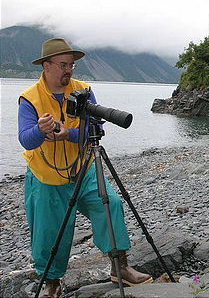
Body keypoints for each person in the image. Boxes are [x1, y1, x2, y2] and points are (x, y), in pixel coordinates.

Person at [18, 38, 152, 297]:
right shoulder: (30, 98)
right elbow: (25, 138)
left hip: (83, 167)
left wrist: (67, 133)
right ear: (46, 66)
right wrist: (40, 130)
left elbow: (96, 129)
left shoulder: (83, 90)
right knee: (48, 231)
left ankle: (119, 266)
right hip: (46, 176)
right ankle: (52, 284)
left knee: (110, 205)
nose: (68, 70)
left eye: (72, 65)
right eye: (62, 65)